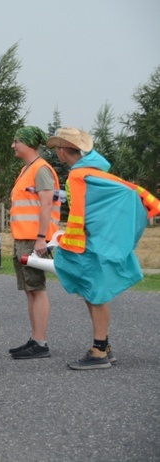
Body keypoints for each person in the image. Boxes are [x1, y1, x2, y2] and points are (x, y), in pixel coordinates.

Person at [46, 127, 159, 370]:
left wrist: (80, 235)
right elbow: (128, 193)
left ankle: (99, 351)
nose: (57, 152)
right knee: (93, 293)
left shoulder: (78, 176)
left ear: (64, 150)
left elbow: (82, 209)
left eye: (57, 148)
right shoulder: (92, 173)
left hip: (88, 246)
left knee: (95, 294)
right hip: (91, 243)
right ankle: (103, 346)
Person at [8, 126, 61, 360]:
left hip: (34, 239)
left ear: (28, 143)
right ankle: (35, 338)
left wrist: (42, 237)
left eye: (17, 141)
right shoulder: (27, 169)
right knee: (30, 290)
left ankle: (41, 343)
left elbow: (47, 204)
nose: (13, 145)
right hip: (24, 237)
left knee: (37, 289)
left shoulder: (40, 169)